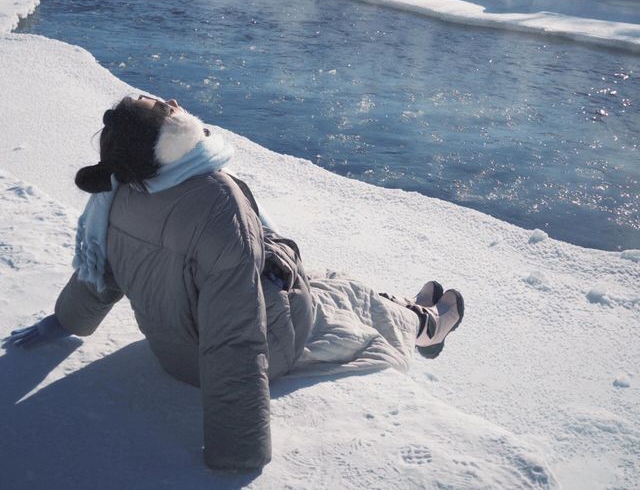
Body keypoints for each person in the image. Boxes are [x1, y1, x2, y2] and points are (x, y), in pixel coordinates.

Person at [4, 95, 464, 473]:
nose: (174, 101)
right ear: (169, 139)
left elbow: (99, 274)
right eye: (164, 107)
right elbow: (235, 336)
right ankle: (425, 324)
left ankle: (406, 305)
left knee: (324, 281)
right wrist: (237, 451)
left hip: (174, 348)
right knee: (348, 298)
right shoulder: (215, 199)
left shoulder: (120, 185)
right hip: (231, 355)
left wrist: (63, 322)